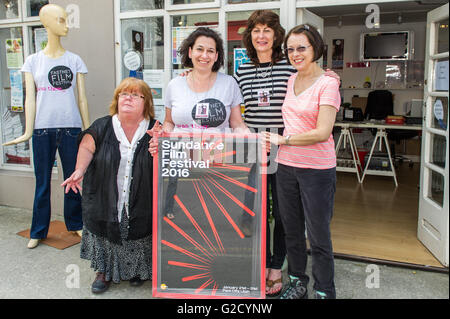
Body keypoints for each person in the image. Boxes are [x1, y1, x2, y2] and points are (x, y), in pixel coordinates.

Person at [262, 24, 341, 299]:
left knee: (318, 236)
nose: (295, 54)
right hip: (286, 168)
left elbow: (322, 132)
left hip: (317, 170)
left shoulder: (329, 83)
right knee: (292, 230)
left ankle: (324, 290)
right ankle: (297, 282)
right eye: (291, 49)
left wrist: (284, 140)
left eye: (301, 48)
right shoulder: (290, 80)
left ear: (315, 48)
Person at [3, 4, 89, 249]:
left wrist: (88, 129)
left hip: (71, 128)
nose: (66, 25)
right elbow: (30, 98)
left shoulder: (74, 60)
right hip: (42, 129)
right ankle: (38, 230)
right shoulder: (33, 61)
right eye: (61, 20)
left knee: (73, 180)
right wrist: (28, 130)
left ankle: (76, 224)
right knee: (42, 181)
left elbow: (81, 98)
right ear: (46, 22)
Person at [62, 77, 157, 294]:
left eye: (135, 95)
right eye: (124, 94)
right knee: (105, 227)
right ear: (117, 99)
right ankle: (103, 271)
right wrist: (79, 171)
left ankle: (135, 270)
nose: (128, 98)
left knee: (138, 226)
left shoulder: (154, 128)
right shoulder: (103, 125)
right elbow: (87, 148)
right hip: (106, 194)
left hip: (141, 195)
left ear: (146, 102)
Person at [153, 27, 249, 219]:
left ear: (216, 56)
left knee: (211, 213)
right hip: (180, 162)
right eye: (199, 49)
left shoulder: (229, 83)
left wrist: (250, 139)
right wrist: (162, 134)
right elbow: (169, 122)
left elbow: (237, 123)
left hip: (216, 161)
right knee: (182, 217)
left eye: (210, 51)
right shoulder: (174, 85)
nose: (204, 55)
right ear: (190, 52)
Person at [233, 10, 297, 298]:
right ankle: (255, 262)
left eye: (267, 30)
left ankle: (275, 266)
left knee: (282, 213)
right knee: (251, 211)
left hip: (284, 151)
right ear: (250, 36)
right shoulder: (242, 70)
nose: (261, 35)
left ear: (275, 35)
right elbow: (235, 111)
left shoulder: (290, 68)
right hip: (251, 151)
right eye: (256, 30)